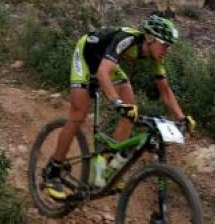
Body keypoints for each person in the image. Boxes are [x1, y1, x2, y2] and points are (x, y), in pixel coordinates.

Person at [44, 14, 196, 200]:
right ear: (150, 39)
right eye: (165, 44)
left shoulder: (157, 57)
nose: (167, 50)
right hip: (85, 57)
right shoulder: (126, 39)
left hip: (106, 64)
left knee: (131, 107)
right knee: (78, 115)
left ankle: (108, 164)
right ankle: (53, 170)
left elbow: (165, 91)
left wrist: (182, 117)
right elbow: (102, 73)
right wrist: (116, 102)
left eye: (169, 46)